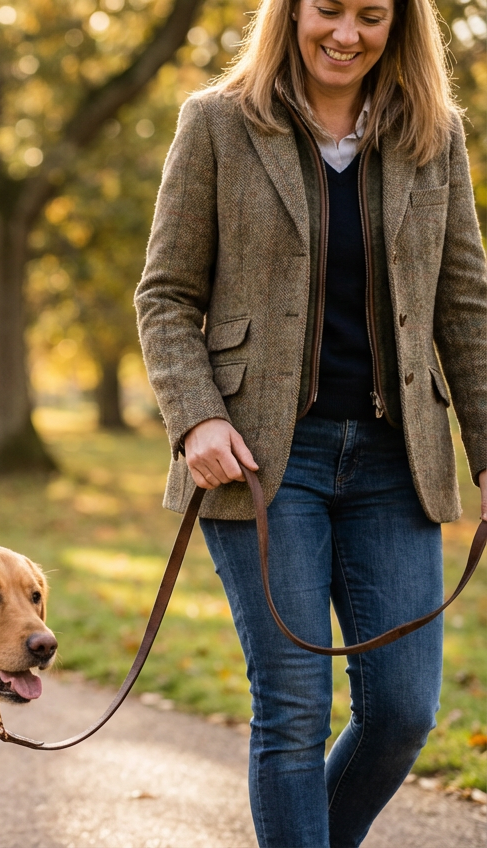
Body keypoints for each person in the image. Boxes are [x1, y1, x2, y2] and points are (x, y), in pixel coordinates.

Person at [134, 0, 487, 844]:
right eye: (327, 8)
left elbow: (465, 303)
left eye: (371, 15)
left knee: (403, 711)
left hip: (395, 463)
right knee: (292, 710)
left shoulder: (433, 137)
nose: (346, 32)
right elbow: (166, 295)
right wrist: (196, 420)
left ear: (399, 25)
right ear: (290, 14)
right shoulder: (217, 123)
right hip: (259, 461)